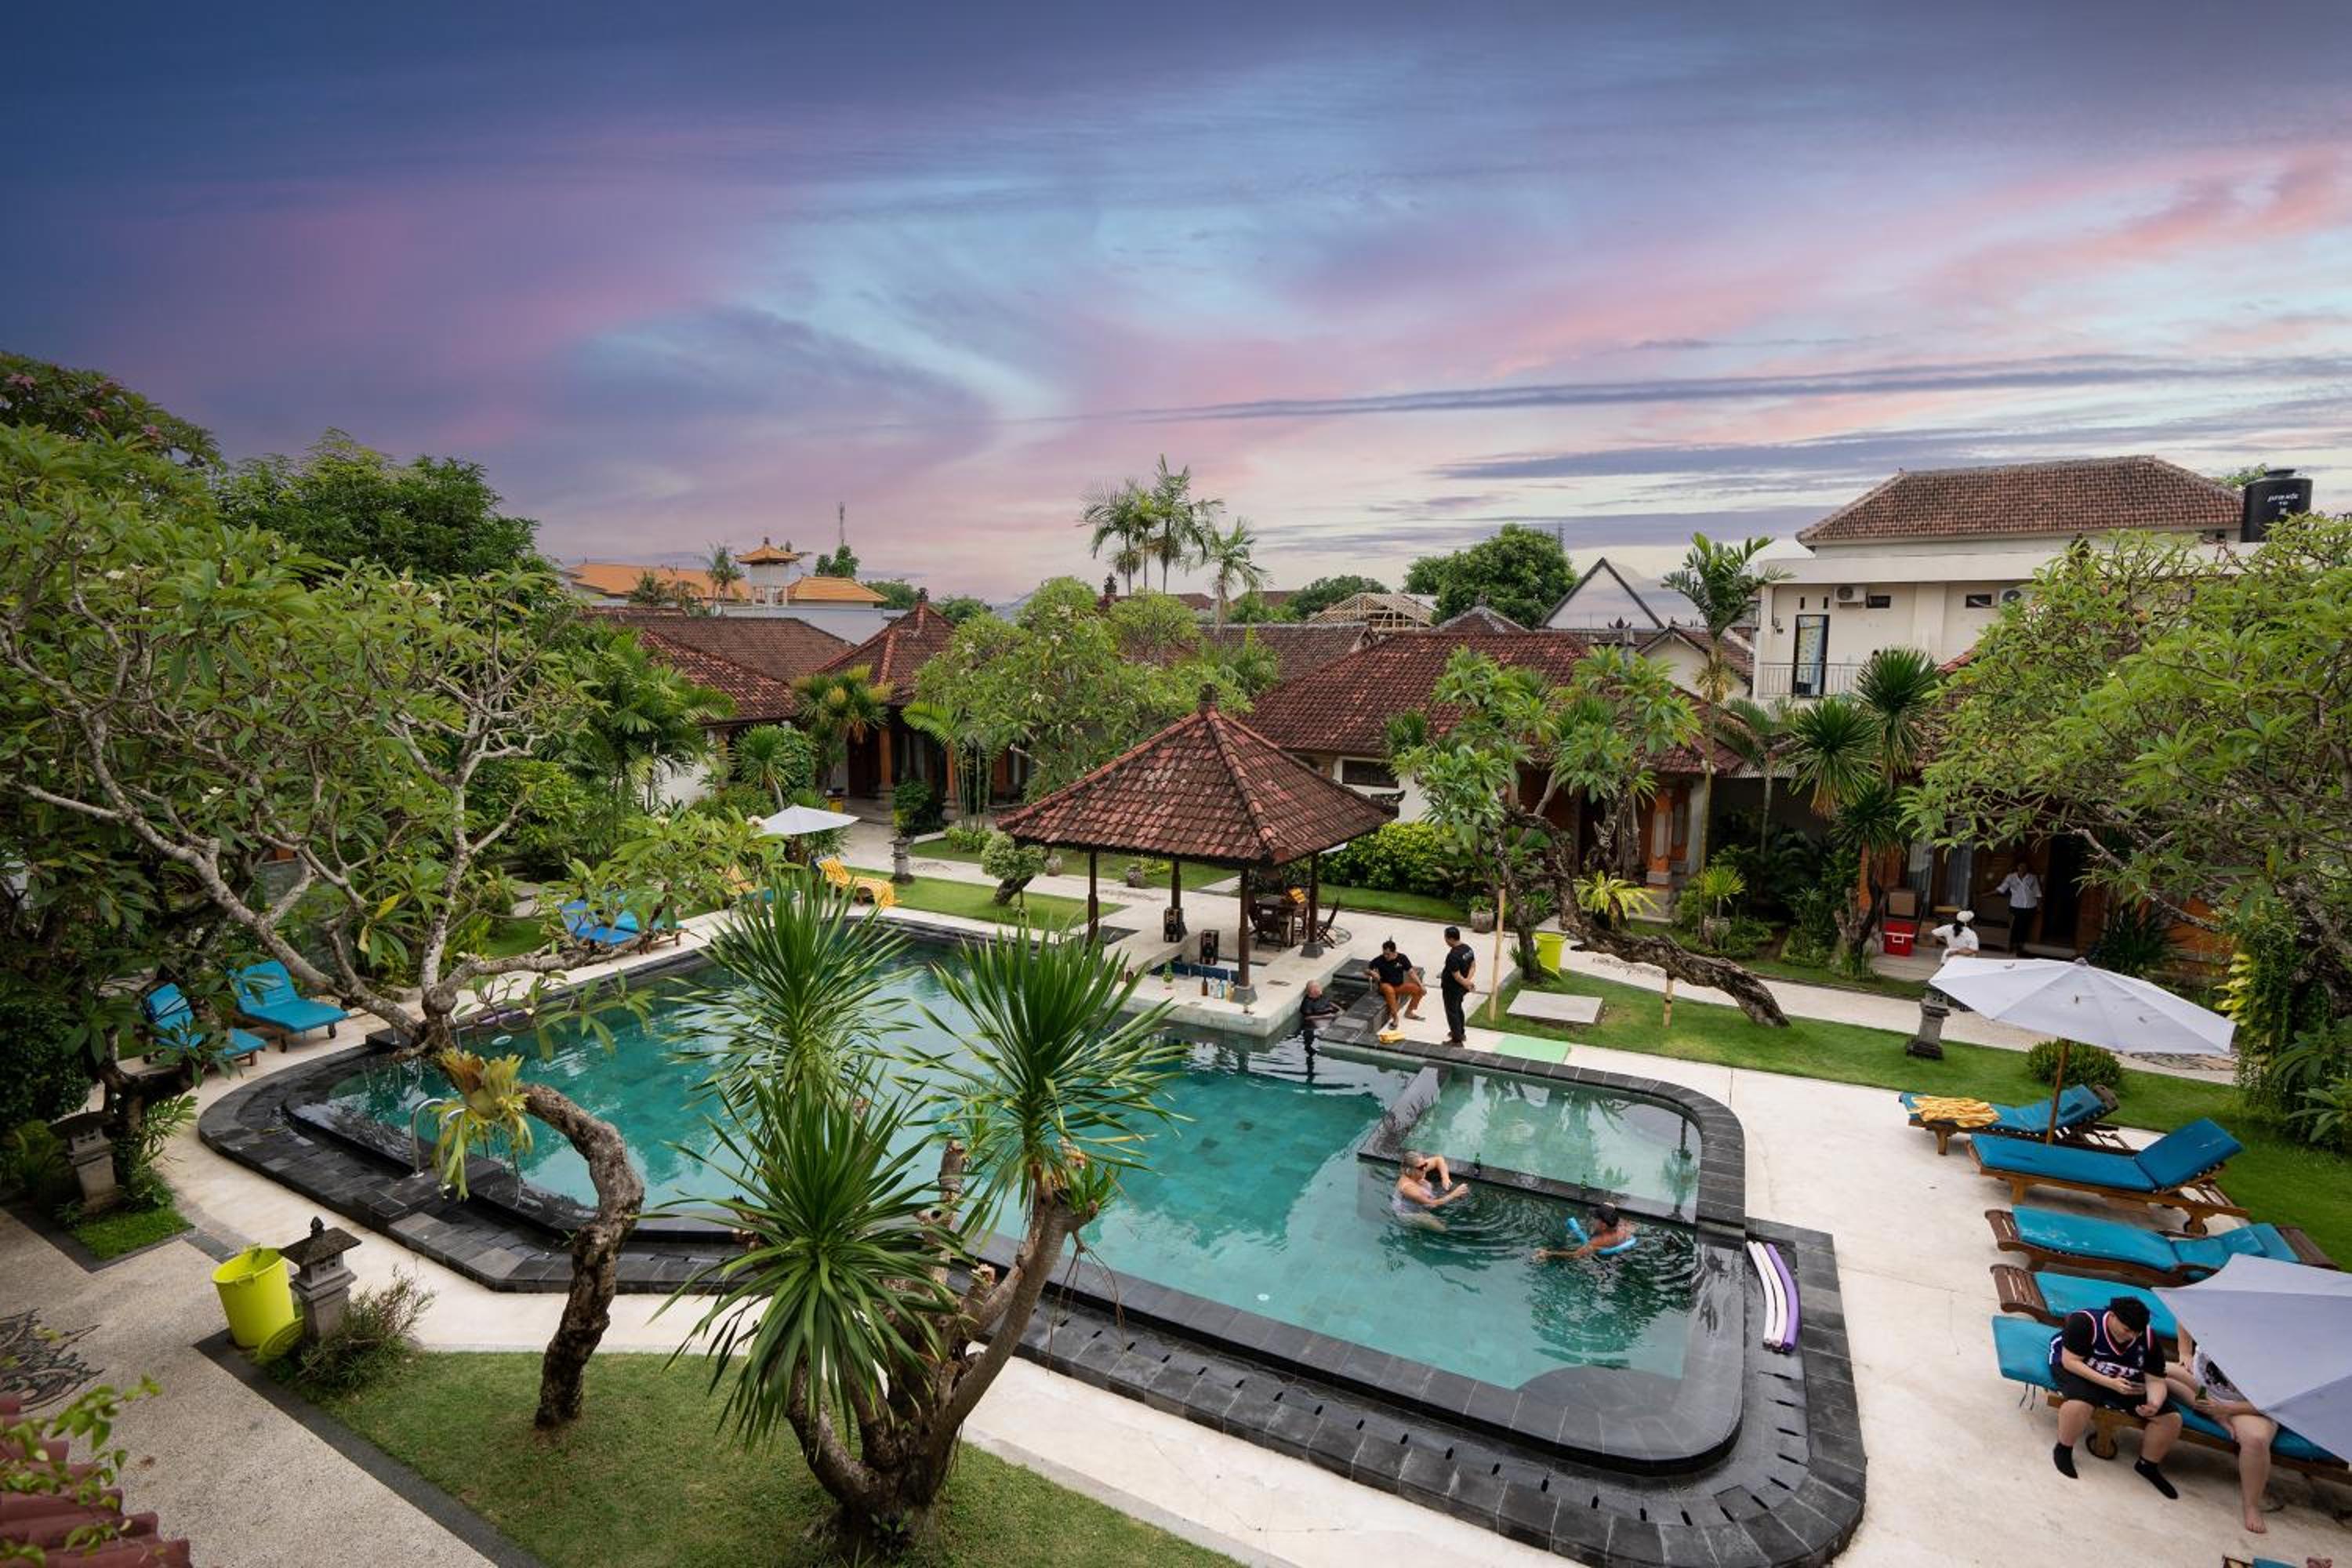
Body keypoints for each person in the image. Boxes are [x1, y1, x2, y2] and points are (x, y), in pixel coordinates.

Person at [2047, 1295, 2182, 1497]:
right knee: (2080, 1403)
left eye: (2136, 1332)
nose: (2131, 1336)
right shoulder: (2085, 1322)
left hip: (2121, 1377)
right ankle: (2063, 1449)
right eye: (2127, 1330)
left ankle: (2148, 1465)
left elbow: (2155, 1380)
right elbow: (2071, 1361)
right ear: (2111, 1316)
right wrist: (2109, 1383)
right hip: (2079, 1368)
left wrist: (2154, 1403)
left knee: (2171, 1418)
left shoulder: (2147, 1338)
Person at [2164, 1322, 2278, 1534]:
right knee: (2152, 1371)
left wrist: (2228, 1410)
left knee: (2256, 1440)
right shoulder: (2219, 1310)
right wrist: (2185, 1351)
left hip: (2246, 1405)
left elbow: (2278, 1403)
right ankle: (2214, 1415)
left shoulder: (2278, 1344)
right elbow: (2186, 1314)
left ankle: (2251, 1505)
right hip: (2201, 1386)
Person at [1392, 1150, 1470, 1229]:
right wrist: (1453, 1194)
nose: (1425, 1168)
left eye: (1425, 1164)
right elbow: (1432, 1204)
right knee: (1442, 1228)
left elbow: (1438, 1159)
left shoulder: (1418, 1170)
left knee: (1461, 1193)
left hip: (1423, 1201)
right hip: (1408, 1213)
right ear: (1410, 1170)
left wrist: (1445, 1178)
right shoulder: (1409, 1188)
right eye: (1421, 1167)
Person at [1534, 1201, 1636, 1261]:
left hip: (1602, 1261)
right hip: (1620, 1249)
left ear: (1604, 1225)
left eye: (1596, 1218)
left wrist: (1549, 1254)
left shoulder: (1598, 1241)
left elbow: (1576, 1255)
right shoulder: (1624, 1227)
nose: (1593, 1220)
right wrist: (1609, 1209)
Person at [1366, 940, 1425, 1028]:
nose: (1385, 956)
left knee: (1418, 990)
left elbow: (1411, 972)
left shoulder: (1402, 958)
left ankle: (1409, 1012)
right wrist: (1372, 972)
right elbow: (1367, 970)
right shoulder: (1379, 959)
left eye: (1388, 954)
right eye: (1384, 953)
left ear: (1394, 952)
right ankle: (1395, 1018)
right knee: (1389, 990)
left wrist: (1421, 986)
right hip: (1385, 985)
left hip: (1398, 986)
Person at [1439, 925, 1476, 1046]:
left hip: (1452, 988)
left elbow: (1457, 976)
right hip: (1461, 987)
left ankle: (1457, 1040)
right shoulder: (1467, 949)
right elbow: (1473, 966)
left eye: (1445, 938)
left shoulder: (1453, 956)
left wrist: (1467, 983)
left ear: (1451, 939)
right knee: (1458, 1008)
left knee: (1452, 1012)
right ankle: (1460, 1033)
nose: (1445, 940)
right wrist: (1468, 982)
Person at [1998, 864, 2042, 948]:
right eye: (2020, 866)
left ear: (2027, 868)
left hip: (2029, 906)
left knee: (2024, 927)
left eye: (2024, 866)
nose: (2022, 868)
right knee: (2015, 926)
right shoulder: (2011, 877)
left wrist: (2039, 906)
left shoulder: (2032, 877)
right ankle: (2012, 944)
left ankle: (2020, 946)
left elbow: (2038, 892)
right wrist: (1986, 894)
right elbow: (2002, 889)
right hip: (2015, 906)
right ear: (2017, 867)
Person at [1298, 981, 1341, 1047]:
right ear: (1312, 991)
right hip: (1320, 1021)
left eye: (1319, 987)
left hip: (1330, 1016)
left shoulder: (1321, 997)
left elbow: (1329, 1003)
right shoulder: (1307, 1002)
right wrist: (1327, 1016)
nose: (1320, 988)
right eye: (1317, 987)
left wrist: (1339, 1010)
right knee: (1327, 1031)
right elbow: (1307, 1017)